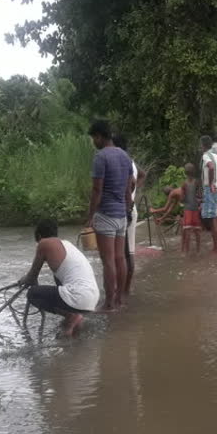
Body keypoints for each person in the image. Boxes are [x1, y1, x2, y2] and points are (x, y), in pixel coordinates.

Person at [20, 219, 99, 337]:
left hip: (79, 297)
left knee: (32, 293)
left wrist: (22, 281)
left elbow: (31, 277)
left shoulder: (44, 243)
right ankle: (74, 316)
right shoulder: (67, 244)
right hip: (92, 298)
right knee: (56, 277)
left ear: (39, 235)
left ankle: (71, 316)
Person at [86, 120, 134, 311]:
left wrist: (90, 216)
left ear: (99, 136)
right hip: (121, 213)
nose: (93, 142)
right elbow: (128, 188)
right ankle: (120, 300)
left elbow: (97, 190)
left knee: (108, 261)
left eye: (93, 138)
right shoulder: (125, 156)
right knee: (120, 258)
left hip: (105, 214)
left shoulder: (101, 157)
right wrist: (128, 209)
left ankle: (108, 303)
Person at [113, 134, 146, 300]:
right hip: (130, 208)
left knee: (122, 254)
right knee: (128, 252)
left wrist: (130, 194)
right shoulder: (130, 161)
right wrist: (134, 193)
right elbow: (142, 175)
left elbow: (132, 181)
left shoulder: (121, 161)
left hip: (124, 209)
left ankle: (121, 292)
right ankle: (125, 290)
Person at [200, 135, 217, 252]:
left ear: (203, 146)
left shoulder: (206, 156)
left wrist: (210, 184)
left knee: (212, 218)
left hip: (211, 190)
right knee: (214, 215)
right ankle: (216, 243)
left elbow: (211, 167)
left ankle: (216, 247)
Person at [181, 163, 201, 253]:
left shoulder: (184, 184)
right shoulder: (196, 182)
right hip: (195, 209)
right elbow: (199, 195)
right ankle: (198, 250)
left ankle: (187, 252)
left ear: (185, 172)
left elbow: (182, 198)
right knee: (197, 231)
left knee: (187, 231)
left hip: (188, 209)